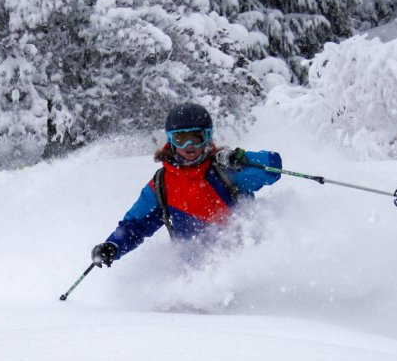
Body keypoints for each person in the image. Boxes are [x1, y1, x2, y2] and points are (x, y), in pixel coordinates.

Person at [91, 102, 282, 268]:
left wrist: (242, 159)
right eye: (180, 139)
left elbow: (273, 168)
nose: (189, 145)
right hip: (194, 275)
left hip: (243, 262)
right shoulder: (162, 185)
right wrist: (113, 246)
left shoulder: (225, 169)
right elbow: (136, 225)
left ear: (208, 137)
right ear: (171, 141)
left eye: (196, 137)